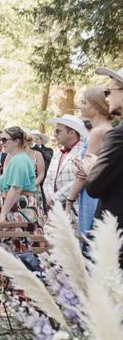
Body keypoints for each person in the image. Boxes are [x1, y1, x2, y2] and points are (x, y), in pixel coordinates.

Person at [64, 87, 112, 238]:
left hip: (91, 194)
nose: (80, 106)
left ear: (97, 107)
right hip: (97, 190)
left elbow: (84, 173)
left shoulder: (98, 132)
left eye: (84, 102)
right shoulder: (105, 129)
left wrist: (70, 200)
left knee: (88, 242)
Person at [85, 66, 123, 236]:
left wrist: (92, 167)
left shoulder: (118, 135)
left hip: (115, 232)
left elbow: (95, 187)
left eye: (109, 91)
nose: (106, 97)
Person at [0, 127, 43, 249]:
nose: (1, 142)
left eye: (4, 139)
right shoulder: (16, 159)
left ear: (16, 141)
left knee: (23, 252)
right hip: (17, 209)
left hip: (21, 209)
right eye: (0, 139)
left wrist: (2, 214)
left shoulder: (19, 160)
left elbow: (16, 189)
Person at [42, 114, 87, 216]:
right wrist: (50, 199)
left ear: (71, 133)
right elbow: (47, 180)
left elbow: (79, 179)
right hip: (55, 210)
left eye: (58, 131)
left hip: (75, 209)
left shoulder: (83, 152)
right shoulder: (57, 154)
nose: (54, 134)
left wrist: (55, 199)